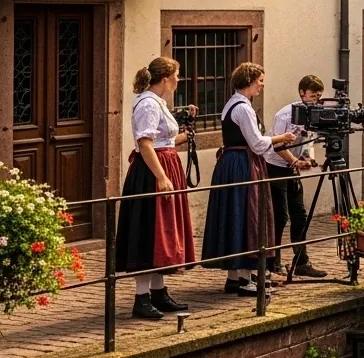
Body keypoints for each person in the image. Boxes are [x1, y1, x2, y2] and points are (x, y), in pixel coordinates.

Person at [202, 63, 297, 296]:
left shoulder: (231, 104)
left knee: (236, 214)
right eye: (260, 80)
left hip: (233, 163)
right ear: (250, 81)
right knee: (248, 216)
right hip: (242, 164)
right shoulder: (242, 108)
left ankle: (234, 278)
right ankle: (245, 280)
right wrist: (279, 138)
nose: (262, 84)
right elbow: (256, 143)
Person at [114, 57, 196, 320]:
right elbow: (146, 143)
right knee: (149, 230)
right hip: (152, 171)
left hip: (163, 164)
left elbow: (163, 139)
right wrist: (161, 177)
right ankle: (141, 298)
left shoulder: (157, 101)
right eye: (177, 75)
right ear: (165, 78)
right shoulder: (148, 103)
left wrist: (183, 136)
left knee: (163, 231)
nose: (178, 80)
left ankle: (159, 292)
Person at [264, 75, 326, 278]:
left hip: (291, 167)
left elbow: (308, 140)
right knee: (280, 216)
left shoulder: (312, 113)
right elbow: (278, 145)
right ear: (302, 93)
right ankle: (272, 263)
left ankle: (301, 261)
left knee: (299, 214)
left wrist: (308, 158)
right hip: (275, 165)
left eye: (318, 96)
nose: (315, 100)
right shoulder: (285, 115)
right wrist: (295, 162)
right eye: (312, 96)